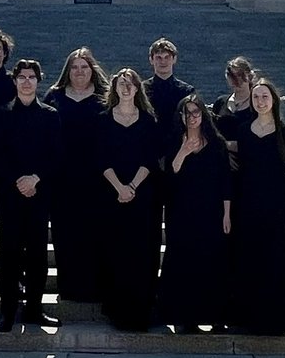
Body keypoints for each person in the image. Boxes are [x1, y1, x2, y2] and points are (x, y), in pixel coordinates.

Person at [0, 58, 63, 331]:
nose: (27, 81)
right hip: (10, 195)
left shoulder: (50, 115)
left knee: (37, 256)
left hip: (39, 194)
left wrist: (35, 178)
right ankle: (7, 312)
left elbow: (56, 155)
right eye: (22, 77)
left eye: (32, 77)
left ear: (38, 80)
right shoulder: (1, 113)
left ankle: (34, 309)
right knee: (8, 255)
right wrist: (17, 180)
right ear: (15, 80)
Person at [231, 77, 285, 335]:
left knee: (276, 260)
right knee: (249, 259)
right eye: (256, 97)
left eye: (264, 96)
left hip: (278, 207)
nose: (260, 101)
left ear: (273, 100)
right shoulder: (243, 130)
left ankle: (275, 320)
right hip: (248, 204)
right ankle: (247, 318)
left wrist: (279, 190)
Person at [157, 94, 231, 334]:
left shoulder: (216, 143)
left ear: (203, 114)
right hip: (181, 212)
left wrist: (227, 214)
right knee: (183, 262)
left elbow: (225, 181)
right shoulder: (173, 140)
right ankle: (184, 317)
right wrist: (184, 150)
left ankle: (215, 317)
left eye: (196, 112)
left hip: (211, 211)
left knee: (212, 262)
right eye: (187, 113)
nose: (192, 117)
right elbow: (170, 174)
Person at [95, 67, 161, 332]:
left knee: (141, 253)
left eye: (131, 84)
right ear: (114, 88)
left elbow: (150, 159)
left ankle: (140, 313)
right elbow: (101, 158)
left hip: (141, 196)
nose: (126, 88)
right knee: (116, 252)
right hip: (112, 196)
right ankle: (117, 312)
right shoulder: (102, 119)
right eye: (121, 84)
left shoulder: (148, 120)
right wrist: (119, 188)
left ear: (137, 89)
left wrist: (131, 186)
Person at [43, 47, 109, 303]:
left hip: (97, 178)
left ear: (92, 69)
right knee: (65, 233)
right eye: (74, 67)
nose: (79, 71)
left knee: (96, 232)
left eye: (84, 67)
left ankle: (96, 287)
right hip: (63, 178)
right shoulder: (54, 96)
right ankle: (70, 287)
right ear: (67, 71)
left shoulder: (105, 97)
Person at [142, 38, 194, 143]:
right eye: (158, 58)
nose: (163, 61)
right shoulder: (142, 89)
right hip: (148, 145)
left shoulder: (186, 91)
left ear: (174, 59)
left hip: (177, 146)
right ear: (151, 60)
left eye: (167, 57)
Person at [211, 56, 256, 151]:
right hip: (222, 159)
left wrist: (229, 145)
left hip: (248, 158)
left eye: (240, 75)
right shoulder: (220, 102)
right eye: (231, 76)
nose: (236, 81)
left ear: (249, 76)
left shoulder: (257, 104)